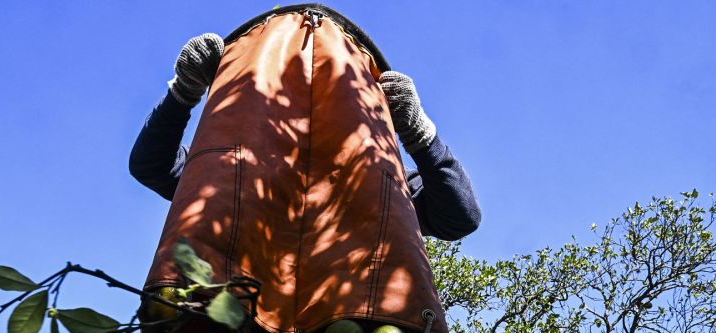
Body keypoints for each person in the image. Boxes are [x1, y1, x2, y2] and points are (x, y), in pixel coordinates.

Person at [130, 34, 482, 242]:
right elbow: (152, 166)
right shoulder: (240, 171)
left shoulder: (381, 181)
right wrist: (183, 93)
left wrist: (420, 134)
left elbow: (460, 216)